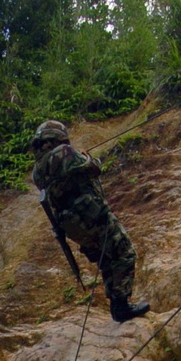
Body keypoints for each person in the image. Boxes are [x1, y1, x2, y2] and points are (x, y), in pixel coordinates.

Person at [31, 119, 150, 324]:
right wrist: (87, 156)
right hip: (91, 213)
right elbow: (94, 168)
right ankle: (120, 304)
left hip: (73, 226)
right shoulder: (64, 153)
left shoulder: (37, 171)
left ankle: (116, 304)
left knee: (107, 258)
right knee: (124, 252)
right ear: (58, 137)